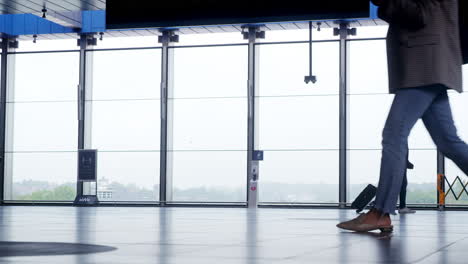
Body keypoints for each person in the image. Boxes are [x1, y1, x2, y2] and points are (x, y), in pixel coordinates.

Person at [337, 0, 467, 232]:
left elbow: (416, 15)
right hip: (433, 62)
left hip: (424, 64)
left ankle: (380, 212)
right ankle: (381, 212)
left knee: (394, 134)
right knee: (449, 142)